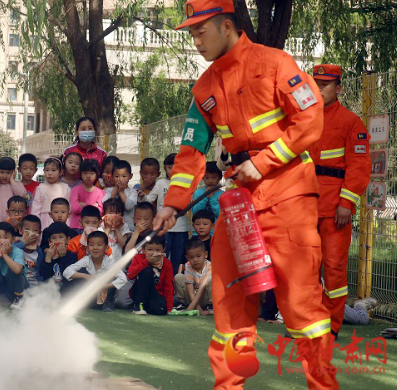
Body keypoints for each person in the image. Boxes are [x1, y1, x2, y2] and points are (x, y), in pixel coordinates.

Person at [153, 1, 338, 388]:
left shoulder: (275, 63)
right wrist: (172, 204)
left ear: (226, 25)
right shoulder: (204, 88)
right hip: (241, 205)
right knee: (228, 304)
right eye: (190, 33)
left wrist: (266, 161)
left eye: (200, 31)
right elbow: (190, 154)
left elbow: (310, 117)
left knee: (301, 306)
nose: (195, 41)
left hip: (289, 197)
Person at [309, 64, 372, 339]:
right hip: (304, 205)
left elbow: (359, 166)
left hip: (335, 209)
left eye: (325, 84)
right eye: (316, 83)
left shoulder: (351, 122)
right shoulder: (301, 119)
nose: (319, 88)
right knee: (305, 268)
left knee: (333, 269)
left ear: (339, 89)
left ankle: (330, 327)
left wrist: (346, 203)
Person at [146, 154, 189, 275]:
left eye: (177, 167)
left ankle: (175, 282)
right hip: (163, 228)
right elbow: (149, 200)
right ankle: (159, 280)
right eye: (170, 167)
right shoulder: (160, 183)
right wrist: (141, 195)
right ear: (165, 168)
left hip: (181, 228)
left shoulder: (185, 184)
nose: (174, 170)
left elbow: (190, 203)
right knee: (161, 255)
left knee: (179, 257)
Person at [63, 231, 127, 312]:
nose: (95, 248)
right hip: (91, 293)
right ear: (88, 248)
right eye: (92, 245)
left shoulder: (110, 262)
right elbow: (66, 272)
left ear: (106, 248)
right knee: (80, 272)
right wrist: (86, 276)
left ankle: (107, 302)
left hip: (105, 292)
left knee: (111, 275)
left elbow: (123, 278)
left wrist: (105, 286)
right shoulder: (86, 260)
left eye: (99, 245)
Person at [127, 235, 173, 316]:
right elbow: (130, 275)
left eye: (158, 250)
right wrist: (146, 261)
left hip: (155, 294)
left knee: (161, 310)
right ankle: (139, 305)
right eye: (149, 249)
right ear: (143, 249)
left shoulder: (166, 263)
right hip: (139, 292)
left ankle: (147, 306)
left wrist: (169, 307)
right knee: (147, 271)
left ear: (163, 249)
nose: (153, 253)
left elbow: (168, 285)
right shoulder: (138, 258)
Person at [174, 239, 212, 315]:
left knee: (212, 279)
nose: (195, 260)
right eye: (191, 257)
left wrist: (193, 307)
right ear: (187, 257)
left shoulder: (210, 266)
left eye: (198, 256)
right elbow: (190, 292)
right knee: (178, 277)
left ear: (206, 254)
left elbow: (202, 287)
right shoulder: (188, 267)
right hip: (192, 298)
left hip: (205, 298)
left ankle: (211, 307)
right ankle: (182, 304)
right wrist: (197, 308)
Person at [30, 157, 71, 229]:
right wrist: (35, 225)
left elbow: (70, 208)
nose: (50, 173)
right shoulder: (40, 188)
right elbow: (35, 209)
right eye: (47, 170)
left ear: (61, 172)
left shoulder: (66, 188)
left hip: (62, 222)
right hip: (44, 223)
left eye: (53, 170)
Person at [40, 222, 79, 287]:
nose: (57, 241)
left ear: (68, 239)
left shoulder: (72, 256)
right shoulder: (47, 256)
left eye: (61, 237)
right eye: (54, 238)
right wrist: (48, 260)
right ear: (49, 241)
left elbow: (69, 277)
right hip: (50, 291)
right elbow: (45, 278)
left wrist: (63, 257)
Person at [70, 159, 104, 231]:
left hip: (93, 227)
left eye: (92, 173)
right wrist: (93, 205)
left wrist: (82, 204)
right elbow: (74, 209)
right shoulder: (75, 190)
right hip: (76, 226)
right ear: (81, 174)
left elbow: (100, 211)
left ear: (97, 174)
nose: (88, 176)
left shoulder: (100, 192)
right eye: (85, 173)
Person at [102, 160, 138, 230]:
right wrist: (116, 189)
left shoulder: (132, 192)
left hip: (128, 228)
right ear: (112, 177)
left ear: (130, 176)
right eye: (116, 176)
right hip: (111, 227)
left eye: (124, 176)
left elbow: (128, 207)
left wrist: (121, 192)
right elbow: (106, 203)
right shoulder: (109, 190)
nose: (120, 179)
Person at [13, 215, 43, 287]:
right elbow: (9, 251)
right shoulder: (16, 245)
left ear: (39, 234)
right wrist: (24, 243)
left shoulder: (39, 252)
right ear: (20, 231)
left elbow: (40, 272)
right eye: (27, 230)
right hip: (18, 284)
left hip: (34, 286)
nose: (31, 234)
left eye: (35, 230)